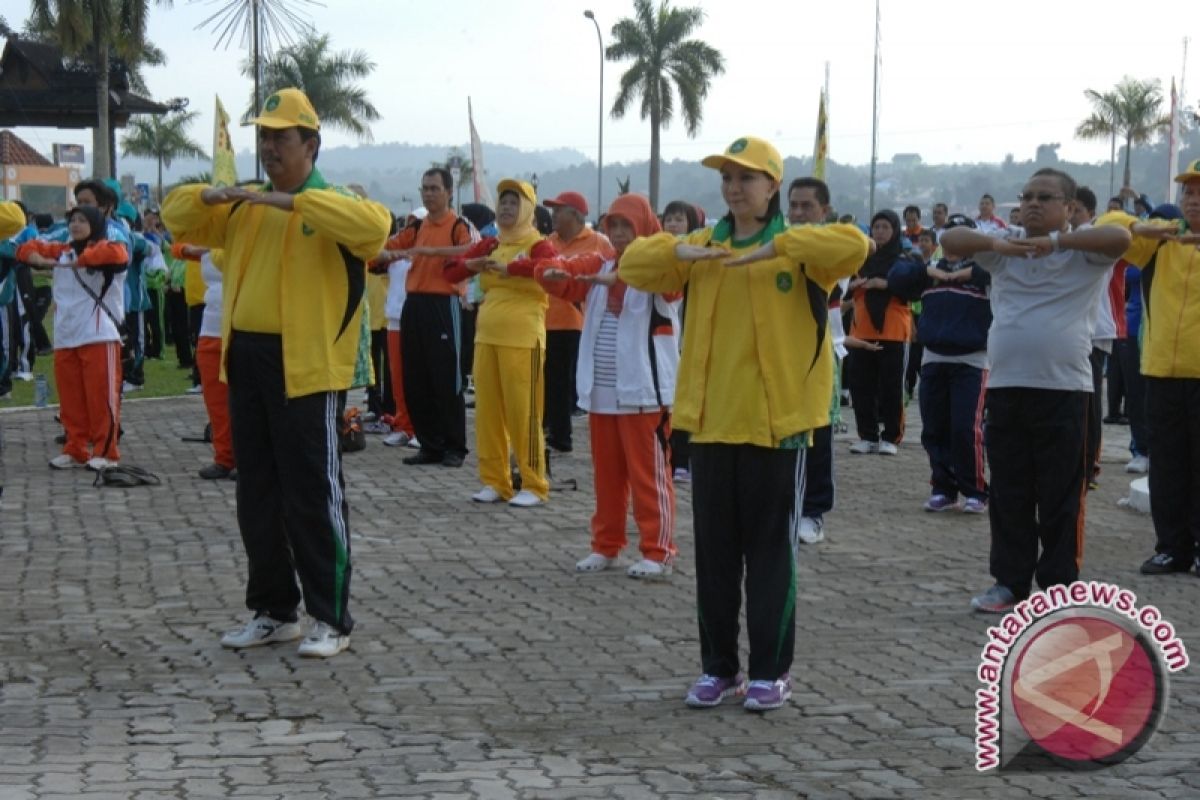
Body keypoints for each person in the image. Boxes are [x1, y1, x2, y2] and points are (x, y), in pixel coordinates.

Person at [619, 136, 871, 712]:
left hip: (777, 428)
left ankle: (770, 671)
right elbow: (633, 264)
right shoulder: (705, 246)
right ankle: (718, 669)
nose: (734, 188)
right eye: (727, 179)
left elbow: (854, 245)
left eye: (747, 178)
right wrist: (682, 255)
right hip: (710, 427)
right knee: (714, 559)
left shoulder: (803, 249)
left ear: (773, 185)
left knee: (770, 558)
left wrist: (778, 247)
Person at [161, 87, 392, 658]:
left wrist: (290, 202)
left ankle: (330, 618)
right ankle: (273, 610)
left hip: (308, 369)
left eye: (280, 137)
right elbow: (177, 216)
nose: (268, 147)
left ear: (310, 144)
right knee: (257, 493)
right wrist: (216, 193)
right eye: (262, 137)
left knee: (313, 493)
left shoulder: (331, 202)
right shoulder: (244, 206)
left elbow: (375, 229)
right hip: (249, 361)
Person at [942, 168, 1131, 614]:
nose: (1031, 203)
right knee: (1008, 492)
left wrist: (1057, 242)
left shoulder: (1083, 253)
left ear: (1069, 208)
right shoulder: (1003, 253)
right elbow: (952, 242)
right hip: (1007, 387)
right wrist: (997, 244)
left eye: (1045, 197)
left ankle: (1058, 587)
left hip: (1065, 389)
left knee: (1061, 496)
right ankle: (1009, 583)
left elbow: (1119, 241)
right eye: (1026, 196)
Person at [527, 193, 679, 577]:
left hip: (645, 392)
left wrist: (617, 269)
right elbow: (562, 279)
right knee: (607, 477)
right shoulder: (601, 262)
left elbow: (672, 283)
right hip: (602, 391)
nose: (621, 233)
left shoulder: (661, 269)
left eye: (628, 225)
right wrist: (550, 268)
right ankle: (606, 545)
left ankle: (658, 550)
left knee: (649, 477)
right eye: (614, 226)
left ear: (644, 227)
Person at [1100, 160, 1200, 576]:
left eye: (1199, 193)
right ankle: (1172, 547)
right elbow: (1108, 226)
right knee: (1168, 463)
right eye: (1188, 194)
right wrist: (1144, 227)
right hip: (1161, 369)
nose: (1192, 201)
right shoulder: (1162, 243)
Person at [445, 179, 554, 507]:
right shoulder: (490, 242)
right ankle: (496, 480)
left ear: (528, 210)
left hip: (523, 337)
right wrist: (471, 264)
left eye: (514, 203)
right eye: (503, 202)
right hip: (487, 335)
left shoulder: (538, 244)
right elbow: (450, 271)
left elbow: (550, 269)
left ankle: (534, 484)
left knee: (524, 412)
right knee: (488, 412)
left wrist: (512, 268)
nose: (506, 209)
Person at [889, 214, 991, 513]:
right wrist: (927, 267)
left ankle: (975, 490)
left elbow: (991, 272)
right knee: (934, 428)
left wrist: (962, 275)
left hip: (971, 361)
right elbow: (898, 277)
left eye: (963, 236)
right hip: (934, 358)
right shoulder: (928, 271)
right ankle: (943, 488)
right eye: (949, 236)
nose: (955, 243)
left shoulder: (987, 271)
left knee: (965, 429)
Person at [376, 168, 476, 467]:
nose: (429, 193)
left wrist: (431, 251)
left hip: (443, 305)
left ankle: (454, 446)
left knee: (446, 378)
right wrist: (380, 253)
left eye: (434, 188)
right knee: (415, 377)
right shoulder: (415, 228)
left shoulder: (458, 225)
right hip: (414, 305)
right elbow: (387, 249)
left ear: (448, 192)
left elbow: (470, 250)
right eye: (425, 188)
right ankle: (429, 444)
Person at [17, 204, 129, 470]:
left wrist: (78, 258)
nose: (75, 225)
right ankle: (75, 447)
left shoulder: (109, 248)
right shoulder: (63, 250)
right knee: (70, 401)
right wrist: (37, 258)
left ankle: (106, 452)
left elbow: (118, 254)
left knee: (102, 399)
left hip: (99, 335)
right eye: (72, 221)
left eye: (82, 220)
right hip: (66, 337)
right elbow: (24, 248)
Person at [542, 190, 616, 453]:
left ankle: (561, 437)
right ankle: (550, 430)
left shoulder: (599, 242)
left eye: (558, 211)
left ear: (574, 214)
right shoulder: (548, 242)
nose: (553, 216)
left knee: (564, 381)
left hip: (576, 322)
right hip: (545, 320)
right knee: (549, 381)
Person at [845, 209, 914, 455]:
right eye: (876, 227)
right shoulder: (858, 260)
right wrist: (852, 286)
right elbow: (840, 289)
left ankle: (891, 437)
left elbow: (915, 288)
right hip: (861, 330)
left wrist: (885, 284)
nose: (880, 232)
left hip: (894, 331)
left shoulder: (904, 261)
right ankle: (867, 435)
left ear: (895, 231)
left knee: (892, 387)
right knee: (861, 386)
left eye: (886, 227)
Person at [659, 199, 703, 483]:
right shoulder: (659, 253)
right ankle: (669, 459)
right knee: (669, 402)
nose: (673, 224)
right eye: (669, 219)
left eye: (680, 219)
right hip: (667, 341)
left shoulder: (699, 254)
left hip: (690, 336)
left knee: (685, 402)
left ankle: (684, 461)